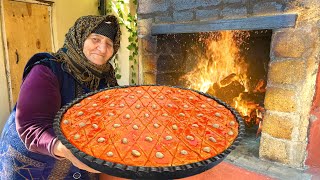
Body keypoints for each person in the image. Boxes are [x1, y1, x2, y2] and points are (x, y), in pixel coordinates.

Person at [0, 14, 121, 179]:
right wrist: (65, 150)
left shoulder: (105, 79)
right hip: (32, 165)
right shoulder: (48, 69)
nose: (102, 48)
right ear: (79, 37)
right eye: (95, 39)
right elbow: (31, 125)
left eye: (109, 43)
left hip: (77, 166)